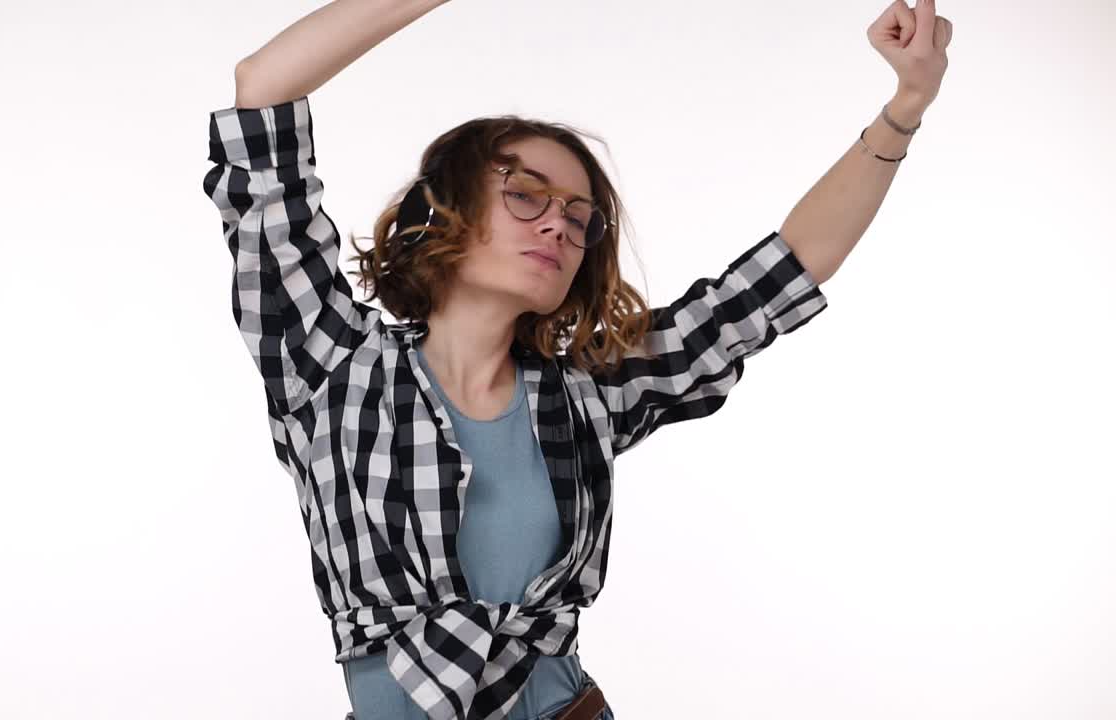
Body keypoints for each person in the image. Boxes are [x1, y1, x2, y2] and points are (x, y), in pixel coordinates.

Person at [202, 1, 951, 718]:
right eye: (527, 196)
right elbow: (261, 90)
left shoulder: (587, 396)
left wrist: (906, 104)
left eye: (578, 216)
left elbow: (781, 277)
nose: (558, 223)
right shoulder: (330, 364)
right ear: (445, 212)